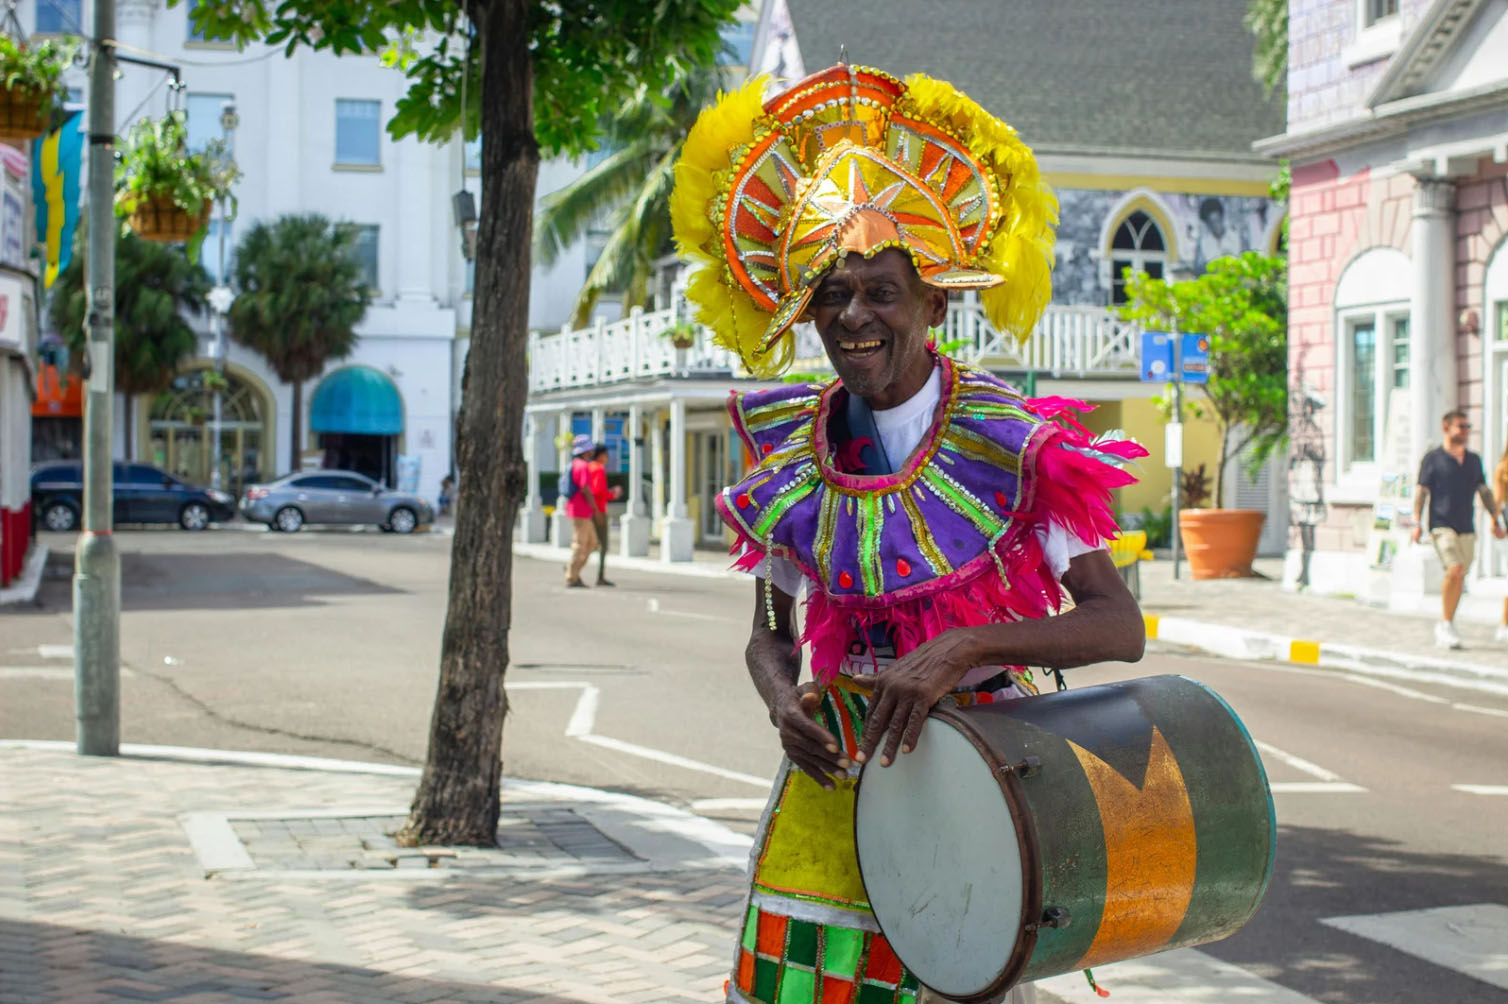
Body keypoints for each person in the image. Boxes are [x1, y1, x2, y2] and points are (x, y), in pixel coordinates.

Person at [672, 65, 1147, 1004]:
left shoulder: (1012, 446)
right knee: (799, 989)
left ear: (935, 304)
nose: (854, 317)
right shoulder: (792, 455)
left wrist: (965, 647)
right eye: (832, 295)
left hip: (983, 765)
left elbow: (1115, 626)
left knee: (953, 987)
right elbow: (770, 626)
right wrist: (781, 699)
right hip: (840, 766)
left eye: (882, 292)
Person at [1410, 410, 1507, 648]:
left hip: (1466, 525)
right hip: (1441, 524)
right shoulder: (1433, 459)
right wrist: (1416, 522)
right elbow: (1422, 491)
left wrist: (1495, 518)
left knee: (1460, 574)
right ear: (1446, 427)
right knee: (1454, 569)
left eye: (1467, 427)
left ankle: (1448, 621)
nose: (1465, 431)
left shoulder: (1473, 460)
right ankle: (1445, 623)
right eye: (1461, 426)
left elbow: (1483, 491)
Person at [564, 433, 603, 588]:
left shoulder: (577, 464)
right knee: (580, 544)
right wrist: (596, 510)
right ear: (587, 451)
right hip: (580, 511)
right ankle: (571, 575)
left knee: (592, 543)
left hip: (582, 511)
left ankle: (573, 571)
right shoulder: (582, 466)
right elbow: (586, 489)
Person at [587, 444, 619, 587]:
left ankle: (572, 566)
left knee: (590, 543)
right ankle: (600, 576)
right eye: (606, 454)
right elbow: (598, 492)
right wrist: (613, 494)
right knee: (602, 545)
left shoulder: (589, 467)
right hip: (599, 510)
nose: (608, 458)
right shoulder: (598, 469)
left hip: (589, 511)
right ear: (600, 455)